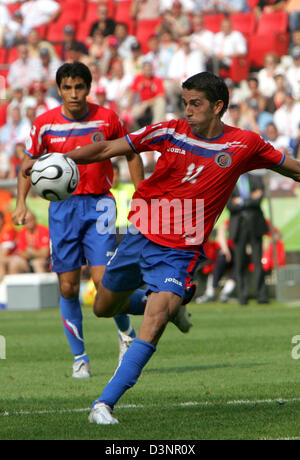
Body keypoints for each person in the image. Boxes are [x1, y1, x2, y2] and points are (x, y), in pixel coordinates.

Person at [24, 72, 300, 425]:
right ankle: (169, 306)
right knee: (104, 308)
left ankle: (104, 404)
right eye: (185, 103)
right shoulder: (168, 131)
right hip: (140, 235)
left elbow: (291, 169)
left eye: (196, 103)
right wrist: (63, 160)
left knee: (152, 323)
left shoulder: (245, 144)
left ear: (218, 107)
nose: (188, 111)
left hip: (180, 252)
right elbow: (109, 147)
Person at [13, 62, 144, 379]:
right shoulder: (45, 124)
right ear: (59, 89)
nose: (74, 94)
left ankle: (126, 333)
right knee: (69, 287)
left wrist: (142, 193)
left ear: (89, 87)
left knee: (104, 282)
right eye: (68, 87)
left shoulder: (107, 118)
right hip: (63, 210)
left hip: (99, 204)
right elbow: (27, 165)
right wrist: (20, 203)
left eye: (80, 87)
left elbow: (131, 152)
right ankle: (80, 358)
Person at [227, 173, 269, 305]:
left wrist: (239, 201)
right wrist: (249, 199)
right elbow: (229, 205)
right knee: (240, 263)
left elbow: (259, 200)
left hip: (255, 225)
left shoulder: (256, 179)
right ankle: (243, 296)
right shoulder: (229, 180)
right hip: (238, 227)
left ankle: (261, 296)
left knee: (258, 262)